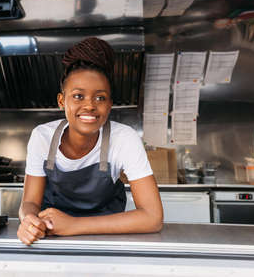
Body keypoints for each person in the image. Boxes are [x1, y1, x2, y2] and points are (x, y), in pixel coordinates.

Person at [17, 37, 163, 245]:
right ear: (61, 101)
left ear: (110, 104)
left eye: (100, 97)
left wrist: (73, 226)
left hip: (106, 241)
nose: (90, 106)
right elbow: (30, 202)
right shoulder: (43, 137)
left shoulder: (124, 138)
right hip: (51, 239)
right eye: (78, 96)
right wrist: (28, 221)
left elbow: (153, 218)